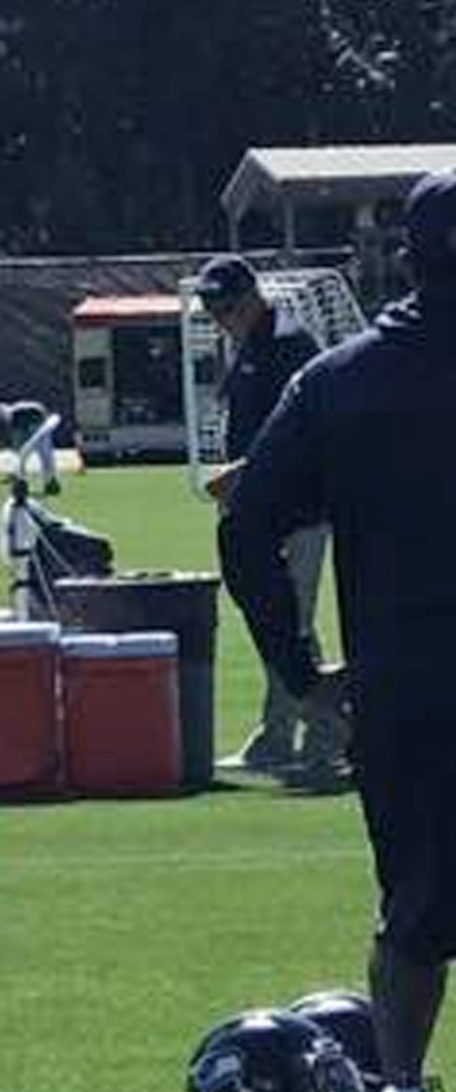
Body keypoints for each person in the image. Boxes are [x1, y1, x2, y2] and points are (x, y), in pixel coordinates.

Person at [218, 170, 456, 1092]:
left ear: (405, 257)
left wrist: (299, 669)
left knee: (412, 908)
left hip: (399, 683)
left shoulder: (339, 381)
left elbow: (244, 526)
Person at [198, 254, 339, 781]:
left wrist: (240, 474)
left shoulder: (292, 347)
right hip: (258, 506)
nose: (220, 318)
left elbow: (300, 436)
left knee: (291, 620)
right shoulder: (250, 344)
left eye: (228, 306)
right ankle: (281, 735)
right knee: (273, 617)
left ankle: (323, 738)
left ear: (254, 296)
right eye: (214, 310)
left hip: (297, 507)